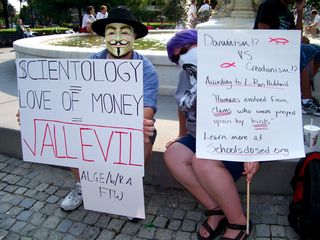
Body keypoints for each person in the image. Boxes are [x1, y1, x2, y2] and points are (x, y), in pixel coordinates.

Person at [59, 7, 159, 212]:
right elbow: (73, 98)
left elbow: (148, 108)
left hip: (130, 127)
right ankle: (81, 185)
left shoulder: (146, 68)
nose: (117, 38)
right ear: (105, 36)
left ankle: (130, 187)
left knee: (145, 134)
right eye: (111, 32)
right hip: (95, 124)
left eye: (124, 32)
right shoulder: (92, 62)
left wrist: (134, 124)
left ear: (135, 36)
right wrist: (39, 113)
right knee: (68, 130)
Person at [165, 29, 260, 240]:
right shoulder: (186, 74)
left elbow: (261, 108)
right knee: (173, 154)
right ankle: (216, 209)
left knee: (202, 160)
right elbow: (182, 107)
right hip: (200, 135)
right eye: (177, 56)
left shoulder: (237, 66)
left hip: (237, 139)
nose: (182, 57)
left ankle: (238, 220)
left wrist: (255, 153)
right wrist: (181, 136)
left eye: (187, 49)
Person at [254, 0, 320, 116]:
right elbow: (262, 33)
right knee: (302, 50)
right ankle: (305, 101)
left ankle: (301, 92)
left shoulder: (287, 12)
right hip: (266, 48)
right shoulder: (269, 4)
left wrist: (300, 12)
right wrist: (287, 43)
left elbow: (297, 36)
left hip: (284, 47)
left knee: (317, 50)